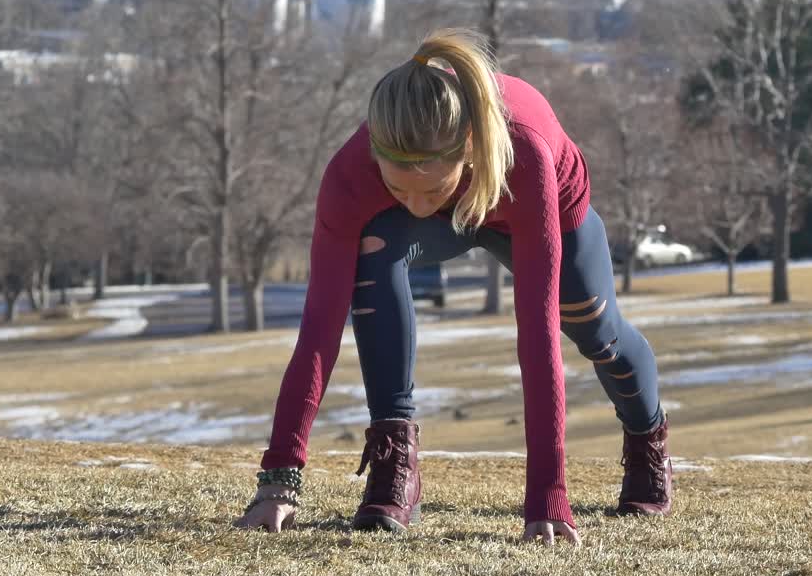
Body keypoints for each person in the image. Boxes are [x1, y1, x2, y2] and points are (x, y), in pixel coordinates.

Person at [235, 28, 672, 545]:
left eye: (431, 187)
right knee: (374, 253)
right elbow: (318, 331)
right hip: (447, 214)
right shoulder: (349, 176)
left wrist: (548, 497)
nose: (416, 203)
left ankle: (647, 440)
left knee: (596, 331)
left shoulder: (522, 151)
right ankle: (394, 460)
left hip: (528, 203)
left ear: (467, 150)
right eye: (398, 187)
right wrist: (279, 478)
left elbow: (536, 337)